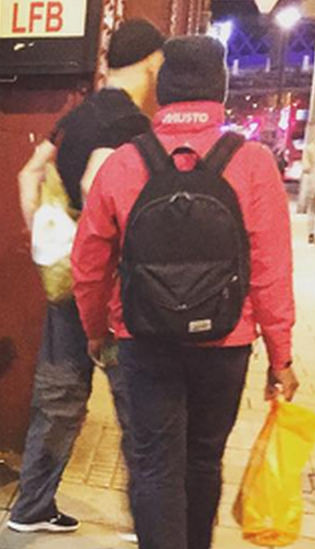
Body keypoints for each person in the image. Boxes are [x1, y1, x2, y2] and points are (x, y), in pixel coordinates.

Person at [72, 35, 299, 549]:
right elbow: (269, 268)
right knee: (203, 459)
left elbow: (89, 261)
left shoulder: (126, 162)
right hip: (226, 342)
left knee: (154, 465)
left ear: (165, 90)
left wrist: (93, 329)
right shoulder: (252, 162)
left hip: (145, 338)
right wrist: (281, 356)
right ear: (218, 91)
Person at [8, 19, 165, 535]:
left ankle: (32, 505)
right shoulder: (132, 130)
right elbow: (104, 196)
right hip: (114, 291)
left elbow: (28, 173)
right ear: (150, 64)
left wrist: (46, 240)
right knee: (135, 402)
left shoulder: (75, 118)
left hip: (68, 285)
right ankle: (145, 517)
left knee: (58, 394)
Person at [299, 139, 315, 244]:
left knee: (312, 209)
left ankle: (312, 232)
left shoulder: (309, 148)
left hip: (313, 181)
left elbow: (306, 168)